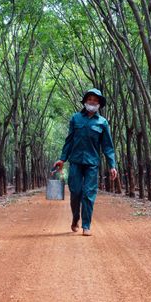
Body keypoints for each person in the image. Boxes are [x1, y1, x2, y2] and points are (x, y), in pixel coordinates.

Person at [53, 88, 118, 236]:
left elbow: (108, 146)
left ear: (99, 104)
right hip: (75, 162)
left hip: (92, 164)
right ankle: (76, 218)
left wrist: (112, 165)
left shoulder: (103, 122)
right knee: (75, 192)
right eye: (90, 99)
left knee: (88, 194)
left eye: (95, 100)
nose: (92, 102)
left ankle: (86, 225)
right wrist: (62, 158)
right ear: (85, 102)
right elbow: (69, 141)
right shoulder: (76, 118)